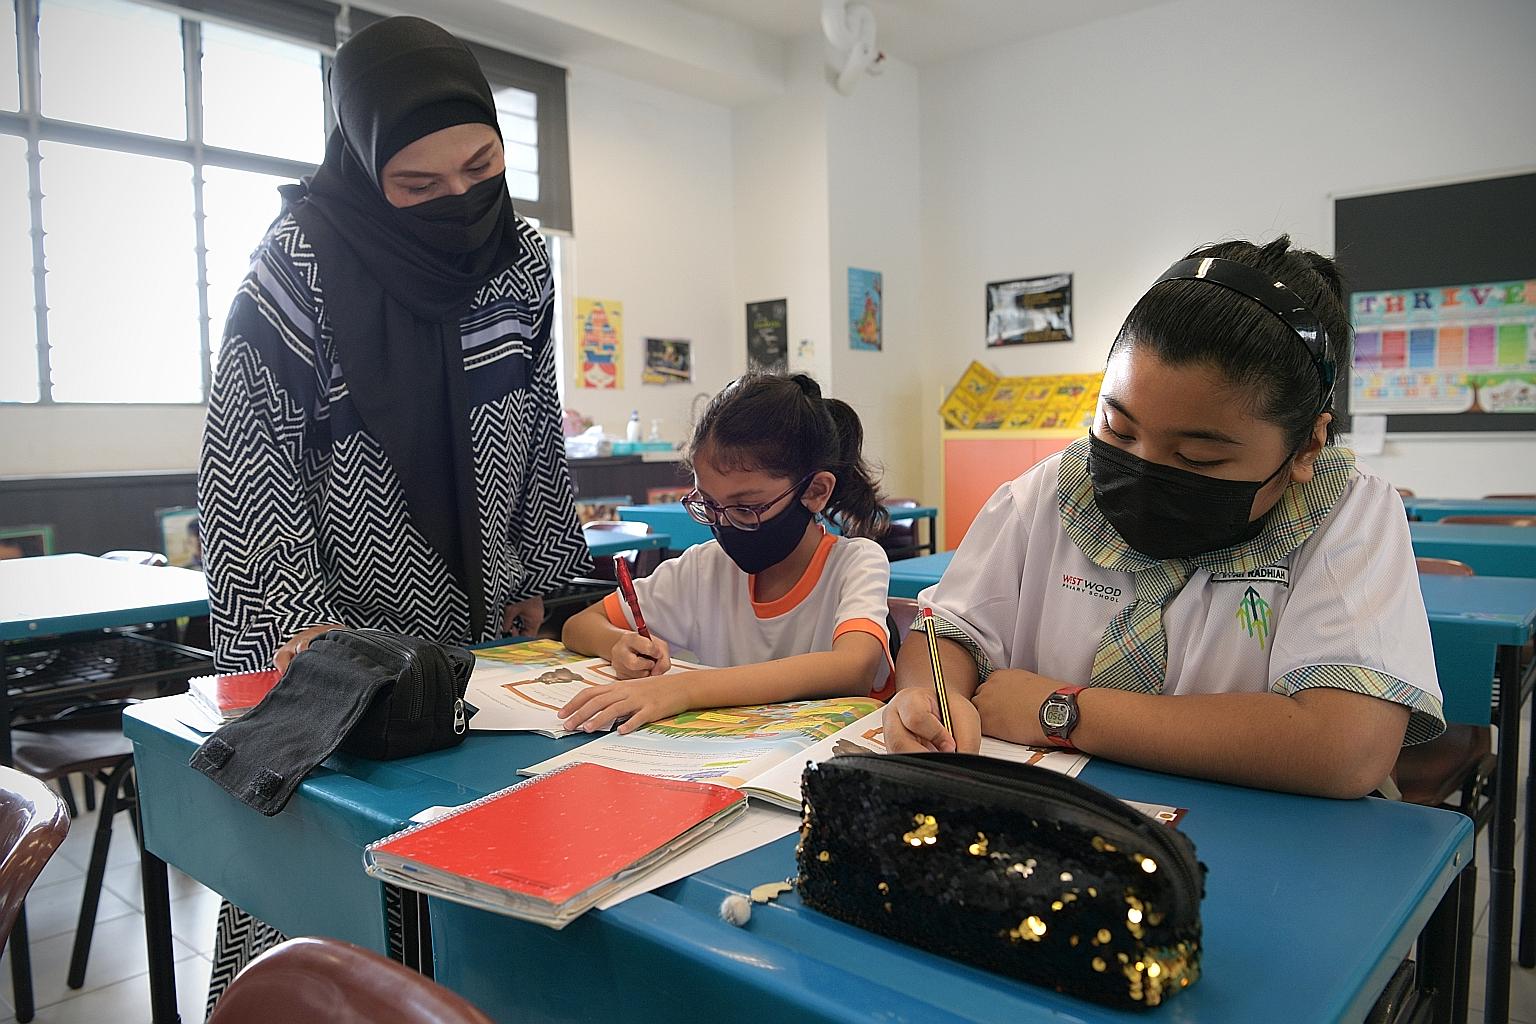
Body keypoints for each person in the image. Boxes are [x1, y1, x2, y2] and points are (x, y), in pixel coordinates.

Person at [197, 15, 588, 1006]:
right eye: (418, 186)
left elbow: (537, 419)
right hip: (349, 655)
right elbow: (249, 470)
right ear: (365, 163)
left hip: (487, 647)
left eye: (480, 166)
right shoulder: (298, 267)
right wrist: (308, 643)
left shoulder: (524, 261)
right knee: (328, 923)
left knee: (496, 894)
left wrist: (548, 579)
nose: (459, 200)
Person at [884, 237, 1444, 799]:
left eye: (1198, 457)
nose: (1142, 469)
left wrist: (1062, 711)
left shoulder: (1347, 513)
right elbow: (946, 632)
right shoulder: (1054, 488)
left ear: (1305, 447)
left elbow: (1344, 747)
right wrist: (930, 697)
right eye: (1118, 428)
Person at [560, 373, 893, 731]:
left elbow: (852, 668)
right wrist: (618, 645)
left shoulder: (855, 562)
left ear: (815, 491)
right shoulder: (706, 567)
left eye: (746, 506)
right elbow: (578, 625)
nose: (725, 525)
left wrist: (684, 689)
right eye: (708, 504)